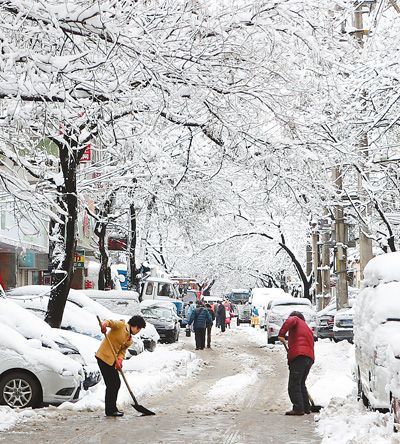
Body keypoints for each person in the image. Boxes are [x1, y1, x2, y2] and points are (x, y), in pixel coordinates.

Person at [96, 315, 146, 417]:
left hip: (112, 361)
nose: (138, 331)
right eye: (139, 328)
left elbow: (122, 351)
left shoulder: (129, 339)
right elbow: (110, 322)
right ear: (134, 325)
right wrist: (104, 325)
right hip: (103, 357)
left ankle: (111, 409)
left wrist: (119, 360)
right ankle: (110, 410)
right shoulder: (121, 325)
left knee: (115, 384)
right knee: (113, 384)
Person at [278, 311, 315, 416]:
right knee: (301, 383)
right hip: (309, 358)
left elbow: (291, 320)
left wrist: (281, 334)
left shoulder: (295, 319)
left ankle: (298, 408)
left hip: (299, 356)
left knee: (294, 384)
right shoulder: (306, 328)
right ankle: (306, 407)